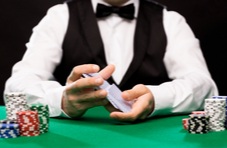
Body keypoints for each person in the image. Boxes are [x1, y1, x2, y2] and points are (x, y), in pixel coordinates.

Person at [4, 0, 218, 122]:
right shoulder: (59, 16)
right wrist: (60, 99)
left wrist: (158, 97)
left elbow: (205, 86)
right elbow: (17, 84)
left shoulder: (170, 20)